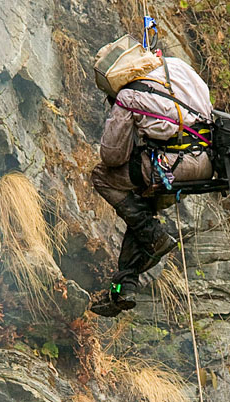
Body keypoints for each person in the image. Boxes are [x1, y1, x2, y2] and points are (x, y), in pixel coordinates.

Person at [88, 35, 215, 317]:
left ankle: (156, 237)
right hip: (207, 164)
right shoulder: (177, 67)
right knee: (140, 209)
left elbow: (112, 157)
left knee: (102, 177)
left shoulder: (128, 96)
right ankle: (124, 287)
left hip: (172, 166)